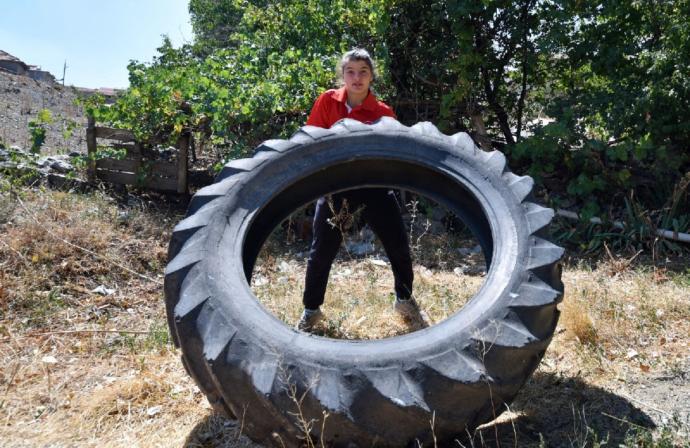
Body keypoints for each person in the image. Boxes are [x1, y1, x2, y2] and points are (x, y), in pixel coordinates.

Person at [296, 48, 426, 332]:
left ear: (371, 77)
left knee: (398, 246)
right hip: (335, 188)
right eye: (351, 72)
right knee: (321, 252)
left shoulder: (383, 113)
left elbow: (393, 154)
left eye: (363, 72)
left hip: (374, 187)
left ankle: (404, 301)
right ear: (342, 75)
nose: (357, 78)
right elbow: (311, 141)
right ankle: (311, 311)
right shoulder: (327, 102)